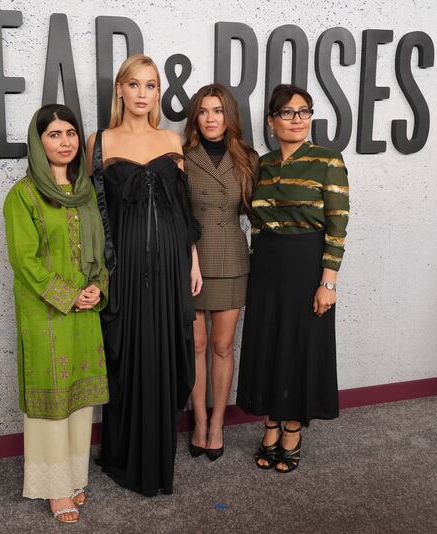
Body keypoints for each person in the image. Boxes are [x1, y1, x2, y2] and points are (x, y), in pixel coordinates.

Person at [86, 54, 202, 496]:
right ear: (119, 89)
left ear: (157, 93)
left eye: (150, 86)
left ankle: (157, 454)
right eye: (134, 85)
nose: (142, 94)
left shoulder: (171, 139)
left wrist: (192, 260)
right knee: (127, 354)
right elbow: (91, 210)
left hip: (171, 261)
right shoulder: (100, 141)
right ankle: (123, 456)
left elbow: (182, 209)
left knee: (167, 351)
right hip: (125, 268)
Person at [236, 84, 350, 473]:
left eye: (304, 112)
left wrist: (328, 281)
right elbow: (255, 222)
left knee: (302, 345)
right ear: (271, 122)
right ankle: (270, 421)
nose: (297, 119)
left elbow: (338, 225)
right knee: (268, 343)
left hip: (307, 266)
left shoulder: (328, 161)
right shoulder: (261, 165)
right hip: (267, 265)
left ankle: (293, 429)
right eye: (287, 113)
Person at [3, 104, 109, 523]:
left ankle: (73, 477)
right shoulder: (23, 195)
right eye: (54, 135)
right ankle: (52, 487)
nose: (64, 142)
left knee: (79, 399)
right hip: (46, 312)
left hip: (85, 311)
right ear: (38, 141)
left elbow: (100, 249)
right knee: (51, 401)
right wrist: (69, 295)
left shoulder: (84, 192)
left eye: (70, 134)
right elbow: (24, 261)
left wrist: (97, 286)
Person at [182, 83, 258, 461]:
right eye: (204, 111)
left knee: (222, 346)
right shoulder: (181, 156)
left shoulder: (247, 157)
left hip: (230, 258)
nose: (211, 118)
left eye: (218, 111)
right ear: (195, 116)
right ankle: (197, 421)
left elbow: (257, 213)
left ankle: (217, 424)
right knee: (194, 345)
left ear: (230, 117)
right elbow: (177, 215)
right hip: (191, 261)